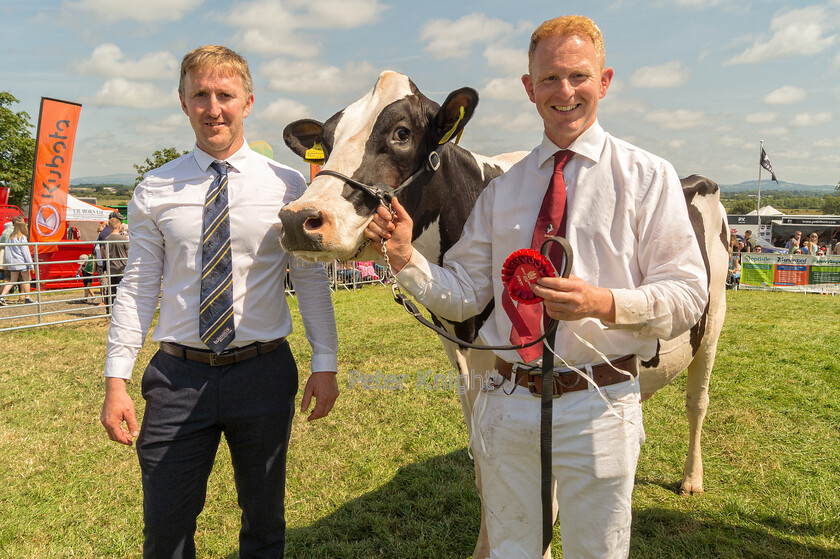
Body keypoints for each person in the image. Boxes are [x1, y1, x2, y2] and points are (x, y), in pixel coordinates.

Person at [366, 15, 707, 558]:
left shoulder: (648, 177)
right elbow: (468, 294)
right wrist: (408, 259)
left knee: (597, 552)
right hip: (508, 402)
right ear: (529, 88)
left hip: (599, 403)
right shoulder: (503, 192)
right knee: (509, 551)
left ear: (605, 81)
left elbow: (690, 295)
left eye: (578, 77)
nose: (564, 92)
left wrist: (607, 303)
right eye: (549, 79)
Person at [100, 45, 339, 558]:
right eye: (201, 95)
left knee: (264, 523)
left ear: (248, 102)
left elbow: (311, 281)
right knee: (165, 531)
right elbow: (139, 287)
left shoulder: (289, 186)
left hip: (264, 372)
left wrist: (326, 362)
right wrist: (116, 379)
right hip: (177, 379)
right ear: (183, 103)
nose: (214, 108)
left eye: (225, 95)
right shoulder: (154, 189)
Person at [0, 216, 35, 306]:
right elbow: (26, 252)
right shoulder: (22, 237)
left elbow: (7, 250)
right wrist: (31, 265)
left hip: (12, 262)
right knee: (26, 280)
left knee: (13, 280)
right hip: (21, 262)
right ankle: (27, 297)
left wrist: (9, 262)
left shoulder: (10, 237)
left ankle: (2, 297)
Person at [104, 225, 129, 310]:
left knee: (111, 290)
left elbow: (103, 253)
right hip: (122, 267)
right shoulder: (123, 239)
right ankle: (122, 309)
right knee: (123, 290)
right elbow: (128, 253)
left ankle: (109, 310)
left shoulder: (107, 239)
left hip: (111, 268)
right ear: (119, 227)